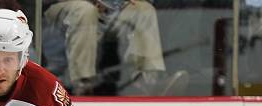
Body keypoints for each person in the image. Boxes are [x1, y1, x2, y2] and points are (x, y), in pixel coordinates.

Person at [43, 0, 188, 96]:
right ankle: (83, 86)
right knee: (85, 10)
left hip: (110, 8)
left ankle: (148, 83)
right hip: (62, 6)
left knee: (143, 9)